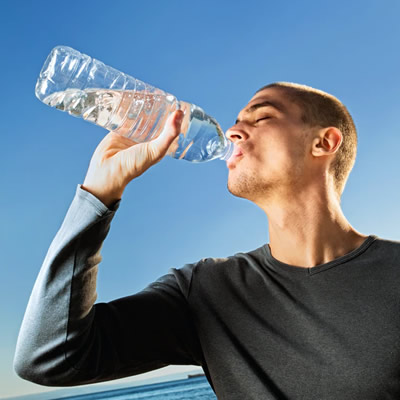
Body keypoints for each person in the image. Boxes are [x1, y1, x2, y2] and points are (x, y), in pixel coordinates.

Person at [14, 82, 400, 399]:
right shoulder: (206, 293)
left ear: (324, 143)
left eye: (262, 116)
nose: (232, 131)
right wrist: (98, 194)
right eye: (234, 121)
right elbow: (48, 357)